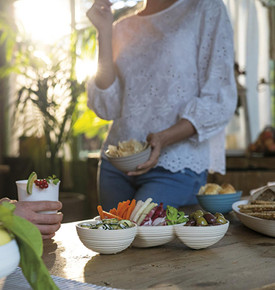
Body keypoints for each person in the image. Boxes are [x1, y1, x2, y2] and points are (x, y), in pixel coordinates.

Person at [86, 0, 237, 210]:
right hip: (116, 168)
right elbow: (107, 107)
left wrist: (163, 138)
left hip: (176, 167)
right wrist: (104, 31)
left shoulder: (205, 8)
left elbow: (220, 99)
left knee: (144, 235)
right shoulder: (121, 26)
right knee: (114, 240)